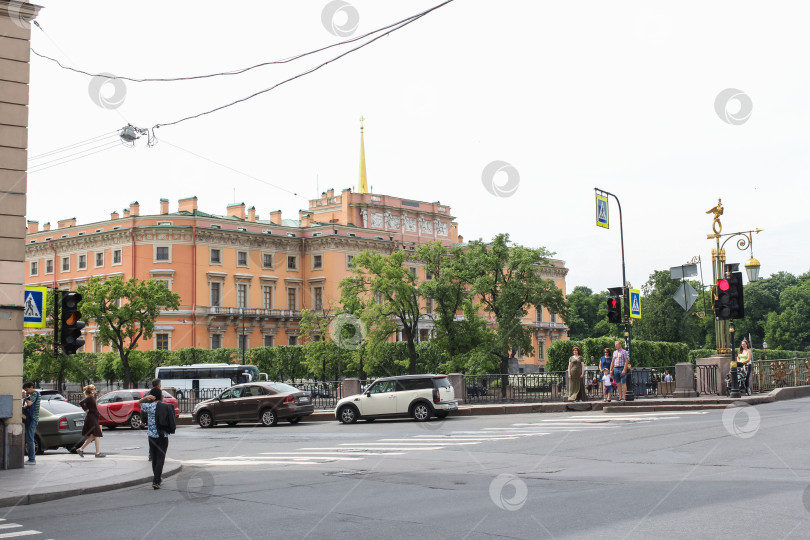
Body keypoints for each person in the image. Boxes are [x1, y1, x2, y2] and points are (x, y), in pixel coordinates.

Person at [139, 387, 170, 489]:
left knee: (155, 458)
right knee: (161, 457)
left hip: (152, 435)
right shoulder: (164, 406)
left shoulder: (149, 406)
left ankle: (157, 478)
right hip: (163, 435)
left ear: (152, 396)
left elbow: (139, 403)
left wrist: (146, 398)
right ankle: (156, 480)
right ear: (160, 395)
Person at [76, 384, 105, 458]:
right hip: (91, 418)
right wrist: (86, 409)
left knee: (93, 436)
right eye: (94, 389)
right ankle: (97, 453)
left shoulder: (91, 398)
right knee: (96, 434)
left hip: (93, 417)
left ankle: (81, 449)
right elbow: (81, 403)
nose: (95, 390)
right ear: (91, 391)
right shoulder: (90, 398)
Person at [22, 382, 40, 465]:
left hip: (33, 419)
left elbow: (29, 404)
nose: (27, 392)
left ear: (31, 387)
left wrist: (25, 397)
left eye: (27, 390)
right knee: (30, 438)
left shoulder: (35, 394)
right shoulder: (34, 394)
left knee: (30, 439)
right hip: (33, 419)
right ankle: (31, 458)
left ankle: (32, 459)